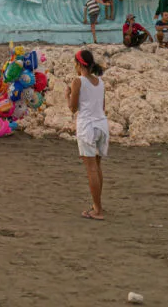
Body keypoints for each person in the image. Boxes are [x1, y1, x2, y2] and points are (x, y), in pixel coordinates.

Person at [66, 48, 108, 221]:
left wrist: (67, 96)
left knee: (90, 168)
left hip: (87, 126)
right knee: (97, 167)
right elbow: (102, 106)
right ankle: (97, 205)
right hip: (101, 125)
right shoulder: (100, 82)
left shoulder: (78, 81)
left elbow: (73, 107)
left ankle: (97, 210)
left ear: (78, 64)